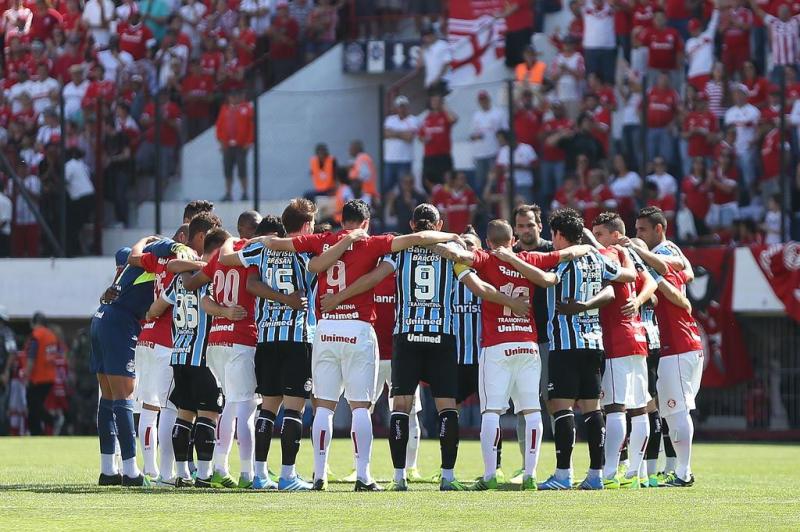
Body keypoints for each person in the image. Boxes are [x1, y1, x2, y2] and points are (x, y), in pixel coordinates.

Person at [254, 199, 463, 491]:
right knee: (360, 408)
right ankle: (363, 475)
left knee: (324, 408)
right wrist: (451, 236)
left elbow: (279, 245)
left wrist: (252, 242)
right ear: (365, 223)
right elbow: (419, 238)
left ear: (342, 221)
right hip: (358, 328)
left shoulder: (323, 239)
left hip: (326, 329)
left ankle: (318, 475)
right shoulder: (374, 242)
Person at [435, 219, 584, 491]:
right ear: (513, 239)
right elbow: (568, 253)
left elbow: (461, 256)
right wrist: (588, 248)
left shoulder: (487, 259)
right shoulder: (529, 259)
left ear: (489, 242)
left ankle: (491, 474)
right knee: (532, 410)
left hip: (496, 345)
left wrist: (448, 247)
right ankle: (530, 475)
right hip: (527, 344)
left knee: (491, 410)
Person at [531, 208, 637, 490]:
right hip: (593, 343)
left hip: (565, 345)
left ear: (558, 234)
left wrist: (518, 261)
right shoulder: (596, 257)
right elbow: (622, 281)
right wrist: (587, 305)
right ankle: (596, 475)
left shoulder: (564, 261)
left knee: (560, 406)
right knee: (593, 409)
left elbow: (547, 280)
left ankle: (563, 475)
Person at [218, 204, 319, 491]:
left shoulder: (261, 249)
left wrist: (249, 240)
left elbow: (226, 261)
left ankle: (260, 475)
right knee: (294, 410)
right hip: (297, 337)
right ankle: (288, 476)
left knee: (268, 409)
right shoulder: (307, 249)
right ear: (307, 225)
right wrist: (288, 299)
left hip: (266, 338)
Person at [177, 211, 263, 489]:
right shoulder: (250, 253)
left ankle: (219, 467)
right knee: (245, 408)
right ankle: (248, 474)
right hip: (241, 338)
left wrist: (223, 310)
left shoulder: (217, 259)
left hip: (216, 341)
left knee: (229, 404)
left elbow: (198, 294)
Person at [89, 234, 179, 486]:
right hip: (119, 324)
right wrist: (161, 242)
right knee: (123, 399)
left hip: (101, 318)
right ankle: (130, 471)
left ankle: (108, 470)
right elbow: (137, 254)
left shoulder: (130, 268)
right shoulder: (158, 260)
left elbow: (126, 254)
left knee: (107, 398)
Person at [146, 223, 227, 488]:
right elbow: (208, 304)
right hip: (202, 355)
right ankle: (204, 475)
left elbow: (155, 309)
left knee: (184, 414)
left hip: (179, 355)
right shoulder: (209, 278)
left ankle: (181, 474)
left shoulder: (181, 279)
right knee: (207, 414)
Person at [627, 211, 702, 487]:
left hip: (678, 344)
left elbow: (676, 295)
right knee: (673, 411)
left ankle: (684, 473)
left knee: (676, 410)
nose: (638, 236)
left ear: (659, 229)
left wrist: (650, 275)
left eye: (642, 230)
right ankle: (680, 470)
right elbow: (688, 271)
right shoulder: (670, 250)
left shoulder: (660, 252)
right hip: (683, 342)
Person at [589, 213, 657, 488]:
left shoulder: (611, 254)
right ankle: (637, 473)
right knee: (639, 408)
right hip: (637, 337)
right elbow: (652, 281)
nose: (598, 239)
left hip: (617, 338)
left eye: (601, 233)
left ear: (615, 235)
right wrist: (640, 299)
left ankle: (610, 473)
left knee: (615, 406)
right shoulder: (628, 254)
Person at [126, 228, 195, 486]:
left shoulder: (157, 259)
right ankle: (167, 473)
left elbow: (133, 257)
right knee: (169, 408)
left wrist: (146, 239)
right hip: (168, 340)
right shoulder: (186, 262)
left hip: (146, 337)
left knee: (148, 408)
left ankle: (151, 470)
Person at [216, 88, 255, 202]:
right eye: (231, 96)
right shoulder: (225, 109)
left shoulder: (247, 108)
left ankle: (244, 193)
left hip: (241, 145)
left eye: (235, 96)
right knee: (227, 170)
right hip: (227, 145)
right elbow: (219, 126)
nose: (233, 98)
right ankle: (228, 193)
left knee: (242, 169)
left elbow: (251, 127)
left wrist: (249, 142)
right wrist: (221, 141)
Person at [24, 312, 58, 436]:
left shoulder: (37, 335)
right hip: (50, 376)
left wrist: (26, 374)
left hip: (38, 377)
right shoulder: (52, 335)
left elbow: (32, 356)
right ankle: (37, 433)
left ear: (34, 322)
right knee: (35, 408)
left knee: (33, 405)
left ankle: (52, 420)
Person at [470, 90, 508, 194]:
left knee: (494, 181)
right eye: (481, 100)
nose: (483, 102)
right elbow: (472, 134)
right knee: (480, 182)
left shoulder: (498, 113)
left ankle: (495, 208)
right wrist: (475, 136)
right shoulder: (476, 115)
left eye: (484, 99)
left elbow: (505, 131)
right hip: (480, 153)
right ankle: (483, 206)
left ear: (489, 99)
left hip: (495, 151)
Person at [724, 84, 760, 191]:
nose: (737, 96)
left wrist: (754, 142)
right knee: (732, 176)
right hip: (733, 149)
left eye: (740, 93)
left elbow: (759, 131)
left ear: (746, 95)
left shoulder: (754, 111)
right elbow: (727, 131)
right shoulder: (729, 112)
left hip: (747, 148)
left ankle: (753, 197)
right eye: (735, 94)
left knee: (748, 174)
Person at [383, 95, 419, 199]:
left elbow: (409, 137)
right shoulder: (390, 119)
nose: (401, 109)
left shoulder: (413, 119)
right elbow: (385, 134)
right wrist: (401, 134)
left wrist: (394, 133)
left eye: (403, 106)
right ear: (396, 108)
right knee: (386, 186)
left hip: (404, 160)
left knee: (403, 188)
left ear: (407, 107)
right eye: (399, 106)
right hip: (390, 160)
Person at [420, 94, 457, 192]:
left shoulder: (445, 116)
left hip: (443, 156)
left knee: (447, 181)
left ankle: (444, 203)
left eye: (437, 101)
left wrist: (445, 107)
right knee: (427, 182)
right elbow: (420, 135)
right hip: (430, 156)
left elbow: (454, 119)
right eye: (433, 101)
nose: (435, 103)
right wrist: (424, 139)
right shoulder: (427, 118)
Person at [64, 148, 95, 256]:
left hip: (80, 198)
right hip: (90, 195)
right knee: (81, 225)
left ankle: (75, 250)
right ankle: (84, 247)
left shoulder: (69, 164)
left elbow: (65, 180)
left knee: (73, 226)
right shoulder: (82, 164)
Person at [495, 129, 538, 204]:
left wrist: (523, 167)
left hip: (524, 183)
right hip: (509, 186)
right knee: (510, 209)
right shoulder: (503, 150)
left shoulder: (527, 148)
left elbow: (536, 165)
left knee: (526, 208)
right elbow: (498, 169)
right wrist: (506, 168)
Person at [685, 6, 720, 92]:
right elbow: (688, 60)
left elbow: (714, 22)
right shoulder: (689, 42)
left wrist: (716, 8)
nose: (692, 31)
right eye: (691, 30)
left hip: (706, 72)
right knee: (693, 100)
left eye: (694, 29)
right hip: (693, 74)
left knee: (706, 97)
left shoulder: (708, 35)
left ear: (699, 28)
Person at [417, 26, 451, 94]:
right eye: (425, 36)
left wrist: (438, 79)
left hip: (442, 81)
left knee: (441, 103)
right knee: (432, 104)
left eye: (429, 35)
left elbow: (446, 63)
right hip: (430, 83)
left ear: (433, 34)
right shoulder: (425, 48)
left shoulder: (442, 44)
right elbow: (419, 66)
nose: (427, 37)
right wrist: (421, 51)